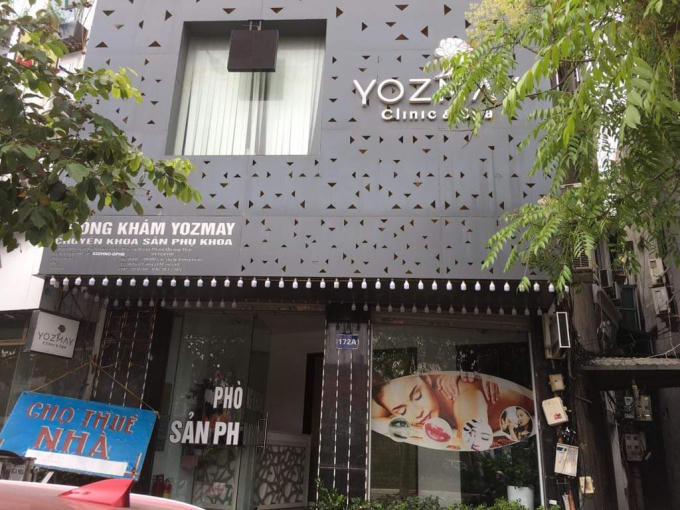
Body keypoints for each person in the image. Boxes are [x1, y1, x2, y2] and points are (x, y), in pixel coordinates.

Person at [371, 372, 534, 449]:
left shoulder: (461, 393)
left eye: (418, 396)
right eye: (401, 411)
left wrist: (422, 434)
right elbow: (372, 419)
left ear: (427, 380)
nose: (417, 412)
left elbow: (471, 439)